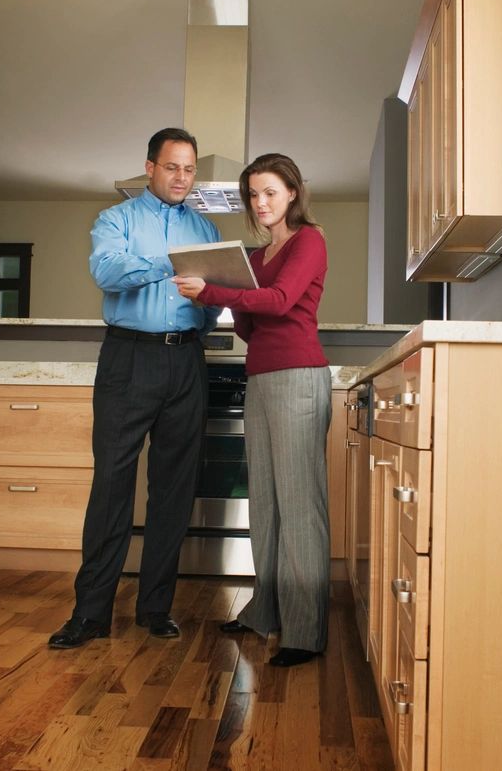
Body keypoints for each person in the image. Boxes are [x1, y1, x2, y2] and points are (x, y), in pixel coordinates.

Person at [48, 128, 222, 649]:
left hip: (186, 359)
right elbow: (108, 271)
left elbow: (212, 299)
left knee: (174, 488)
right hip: (129, 358)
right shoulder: (116, 220)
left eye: (189, 169)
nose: (181, 178)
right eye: (172, 167)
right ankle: (91, 613)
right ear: (150, 167)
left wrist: (205, 313)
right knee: (112, 485)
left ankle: (154, 609)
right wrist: (171, 260)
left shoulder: (205, 226)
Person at [173, 153, 330, 667]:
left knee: (299, 504)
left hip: (299, 377)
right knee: (265, 502)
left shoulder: (310, 241)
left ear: (292, 193)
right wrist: (226, 298)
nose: (260, 203)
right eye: (253, 195)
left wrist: (216, 292)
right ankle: (266, 612)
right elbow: (249, 327)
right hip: (260, 379)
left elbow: (283, 302)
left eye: (269, 192)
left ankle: (305, 631)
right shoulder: (257, 257)